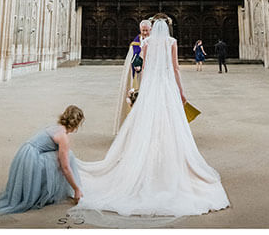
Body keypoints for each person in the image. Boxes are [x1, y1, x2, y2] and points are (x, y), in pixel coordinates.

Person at [70, 14, 229, 219]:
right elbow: (176, 69)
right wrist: (181, 92)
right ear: (167, 28)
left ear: (152, 29)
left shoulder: (147, 42)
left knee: (146, 122)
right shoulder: (172, 42)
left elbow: (143, 69)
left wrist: (141, 91)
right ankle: (168, 159)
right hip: (167, 86)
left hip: (151, 86)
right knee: (171, 123)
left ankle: (144, 159)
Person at [0, 105, 85, 215]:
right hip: (31, 159)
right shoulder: (63, 136)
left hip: (25, 154)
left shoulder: (55, 127)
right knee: (68, 157)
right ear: (76, 124)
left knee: (62, 156)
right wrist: (76, 189)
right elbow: (65, 168)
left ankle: (41, 188)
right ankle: (49, 191)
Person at [114, 20, 151, 133]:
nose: (144, 33)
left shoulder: (154, 43)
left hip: (149, 75)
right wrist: (134, 66)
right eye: (142, 30)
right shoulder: (135, 44)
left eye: (146, 30)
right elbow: (130, 60)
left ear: (151, 30)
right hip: (136, 77)